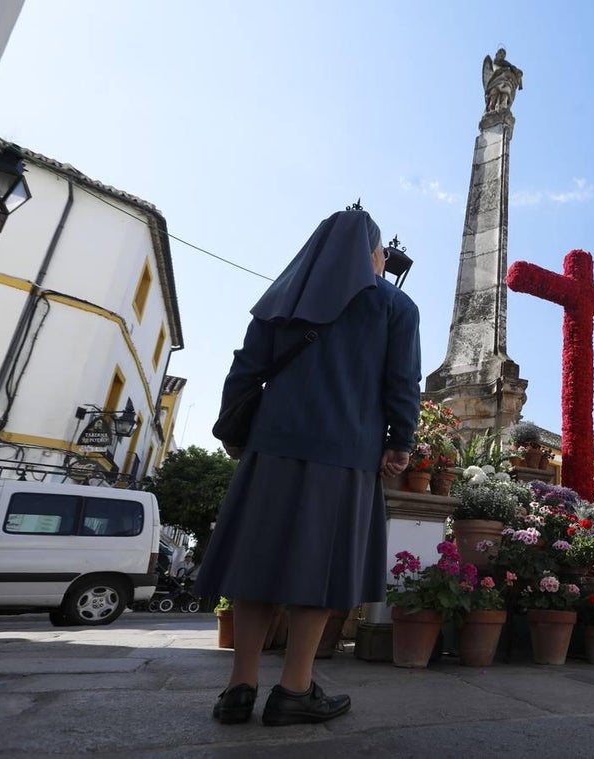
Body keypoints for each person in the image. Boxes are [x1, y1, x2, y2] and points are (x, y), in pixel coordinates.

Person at [195, 208, 421, 727]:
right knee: (319, 568)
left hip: (271, 449)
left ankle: (239, 687)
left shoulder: (280, 302)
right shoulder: (394, 305)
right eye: (381, 249)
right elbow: (402, 383)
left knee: (256, 563)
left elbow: (244, 372)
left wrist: (235, 436)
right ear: (370, 253)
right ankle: (294, 688)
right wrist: (400, 442)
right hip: (345, 454)